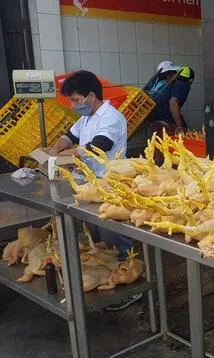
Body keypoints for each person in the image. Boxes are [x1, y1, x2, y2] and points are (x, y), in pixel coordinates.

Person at [49, 70, 141, 310]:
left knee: (116, 235)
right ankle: (111, 279)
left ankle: (131, 285)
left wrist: (68, 154)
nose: (73, 105)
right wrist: (56, 149)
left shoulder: (111, 117)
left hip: (111, 183)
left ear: (91, 96)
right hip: (92, 184)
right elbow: (69, 136)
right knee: (100, 240)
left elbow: (101, 145)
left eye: (76, 100)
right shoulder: (87, 117)